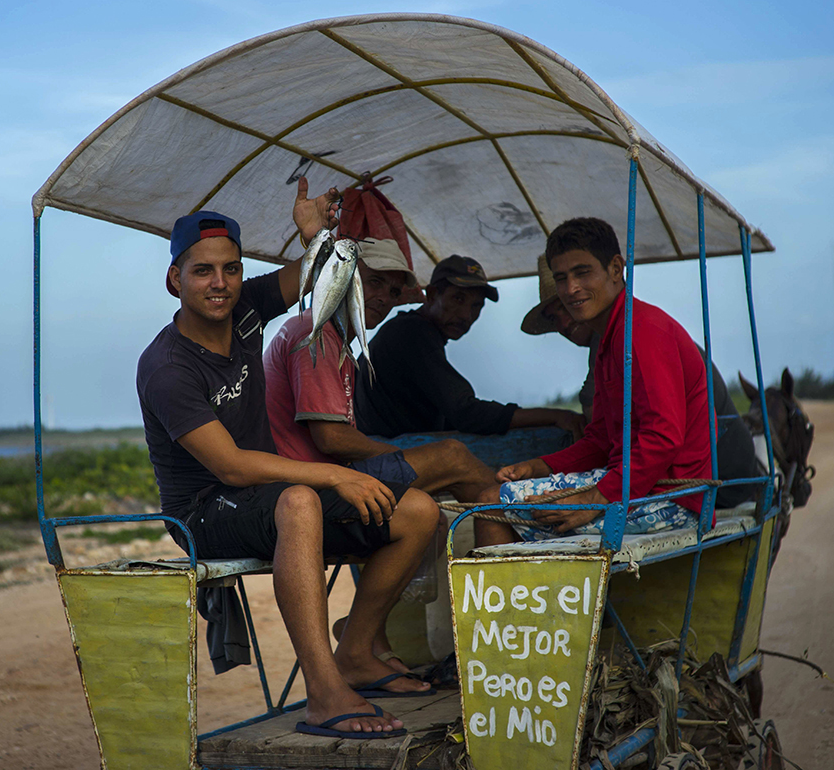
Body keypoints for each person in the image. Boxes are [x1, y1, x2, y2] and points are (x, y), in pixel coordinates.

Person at [137, 182, 439, 739]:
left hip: (264, 495)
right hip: (203, 510)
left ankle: (355, 655)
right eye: (203, 271)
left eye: (230, 269)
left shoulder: (247, 305)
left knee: (418, 510)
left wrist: (314, 235)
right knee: (300, 500)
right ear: (174, 279)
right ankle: (324, 693)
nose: (220, 284)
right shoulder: (167, 367)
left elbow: (319, 272)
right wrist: (335, 474)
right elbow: (229, 467)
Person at [264, 237, 500, 675]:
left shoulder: (341, 341)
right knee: (452, 456)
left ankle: (360, 640)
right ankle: (518, 540)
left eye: (393, 291)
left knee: (425, 510)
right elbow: (332, 439)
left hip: (327, 481)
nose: (383, 298)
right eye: (372, 282)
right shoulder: (317, 333)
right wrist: (400, 452)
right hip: (309, 491)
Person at [474, 217, 713, 546]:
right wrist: (540, 466)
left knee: (493, 503)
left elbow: (663, 437)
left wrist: (598, 497)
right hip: (632, 485)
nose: (571, 289)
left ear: (616, 269)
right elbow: (601, 440)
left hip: (674, 496)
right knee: (497, 498)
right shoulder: (608, 341)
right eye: (562, 278)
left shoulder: (642, 330)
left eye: (583, 272)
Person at [521, 256, 762, 508]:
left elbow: (652, 438)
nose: (563, 323)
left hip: (709, 482)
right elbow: (604, 435)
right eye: (553, 317)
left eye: (565, 306)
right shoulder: (609, 342)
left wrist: (593, 496)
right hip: (678, 480)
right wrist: (543, 465)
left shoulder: (631, 332)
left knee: (509, 502)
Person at [355, 254, 586, 440]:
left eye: (476, 306)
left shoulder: (412, 331)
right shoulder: (411, 333)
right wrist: (556, 415)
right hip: (382, 455)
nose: (467, 315)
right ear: (433, 294)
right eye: (458, 299)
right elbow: (465, 412)